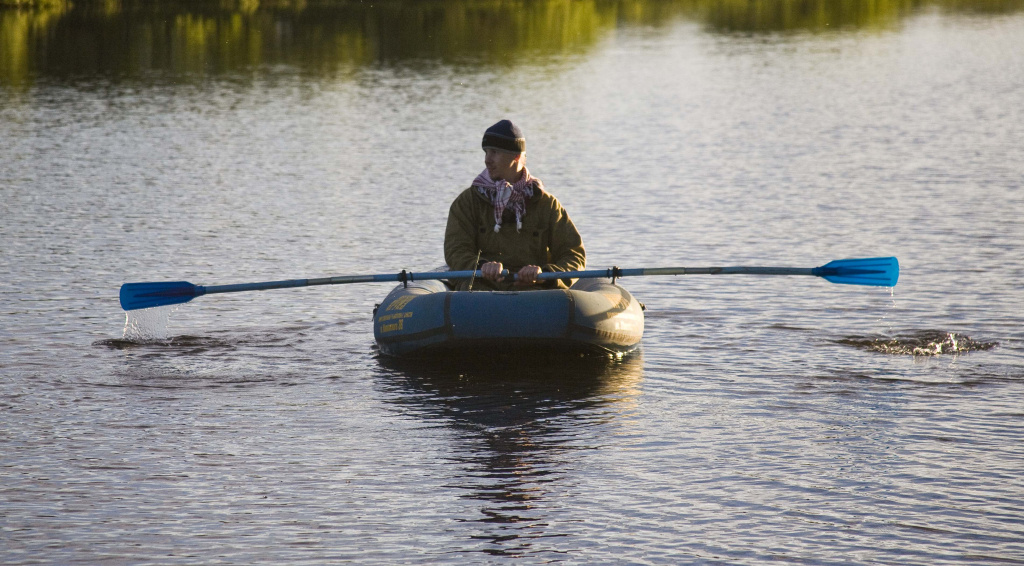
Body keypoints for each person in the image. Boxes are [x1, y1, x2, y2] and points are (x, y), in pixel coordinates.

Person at [444, 119, 586, 291]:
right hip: (480, 293)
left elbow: (574, 255)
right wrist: (481, 267)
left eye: (494, 152)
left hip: (536, 295)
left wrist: (545, 274)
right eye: (486, 152)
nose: (487, 160)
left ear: (516, 156)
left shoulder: (547, 204)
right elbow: (455, 250)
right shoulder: (467, 202)